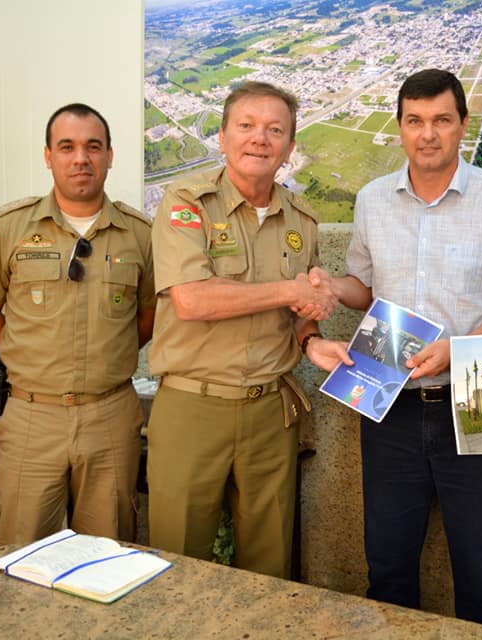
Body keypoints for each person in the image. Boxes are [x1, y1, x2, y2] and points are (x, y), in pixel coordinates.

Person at [305, 68, 482, 628]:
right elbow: (365, 289)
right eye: (415, 121)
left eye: (441, 120)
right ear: (400, 128)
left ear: (463, 125)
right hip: (387, 405)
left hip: (476, 401)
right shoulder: (372, 200)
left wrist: (458, 350)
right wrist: (326, 288)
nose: (428, 134)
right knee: (387, 573)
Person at [147, 81, 337, 579]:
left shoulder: (302, 219)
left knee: (269, 564)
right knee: (177, 561)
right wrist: (289, 290)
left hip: (270, 413)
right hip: (193, 408)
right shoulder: (187, 204)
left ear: (290, 148)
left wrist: (313, 341)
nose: (260, 139)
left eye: (275, 130)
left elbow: (303, 310)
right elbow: (191, 299)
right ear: (223, 136)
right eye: (247, 126)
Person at [0, 103, 155, 546]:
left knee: (108, 554)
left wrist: (108, 357)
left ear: (110, 155)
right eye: (66, 147)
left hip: (110, 415)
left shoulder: (140, 234)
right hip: (32, 417)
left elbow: (149, 315)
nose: (80, 158)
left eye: (92, 147)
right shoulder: (10, 227)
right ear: (48, 155)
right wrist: (24, 356)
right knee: (22, 551)